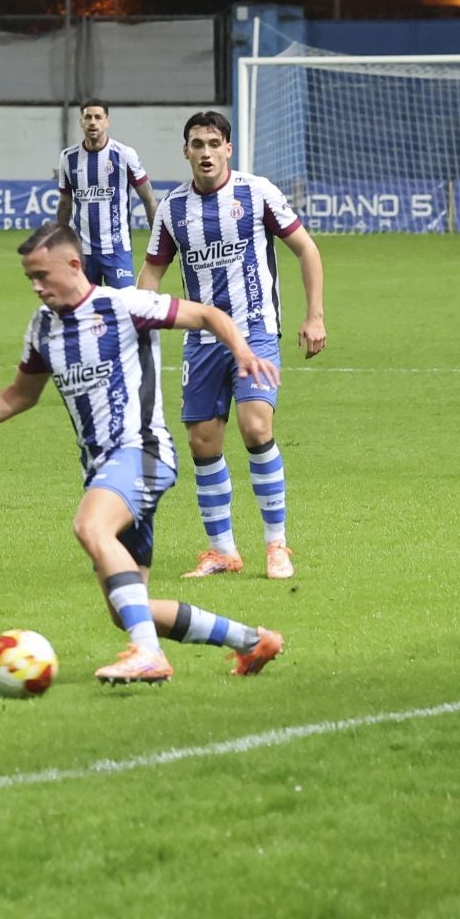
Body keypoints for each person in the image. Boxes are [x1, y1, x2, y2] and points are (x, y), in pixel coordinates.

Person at [0, 223, 284, 685]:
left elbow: (208, 315)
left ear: (73, 265)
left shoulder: (123, 305)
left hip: (142, 452)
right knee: (126, 609)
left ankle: (148, 655)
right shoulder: (42, 328)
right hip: (103, 469)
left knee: (90, 526)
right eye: (29, 277)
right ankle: (252, 641)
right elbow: (20, 395)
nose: (35, 286)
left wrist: (242, 351)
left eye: (42, 275)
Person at [138, 111, 325, 582]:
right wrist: (136, 320)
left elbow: (306, 248)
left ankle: (276, 544)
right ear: (186, 151)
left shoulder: (257, 192)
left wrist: (314, 314)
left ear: (228, 149)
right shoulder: (173, 209)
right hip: (201, 339)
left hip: (256, 328)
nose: (205, 152)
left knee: (256, 425)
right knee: (203, 440)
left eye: (213, 143)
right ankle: (222, 550)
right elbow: (153, 273)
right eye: (196, 143)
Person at [54, 100, 159, 290]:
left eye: (98, 117)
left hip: (117, 250)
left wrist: (159, 239)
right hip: (82, 251)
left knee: (126, 308)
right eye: (88, 117)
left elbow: (149, 199)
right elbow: (65, 204)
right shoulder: (68, 158)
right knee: (83, 312)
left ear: (107, 122)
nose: (93, 122)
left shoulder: (124, 154)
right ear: (81, 122)